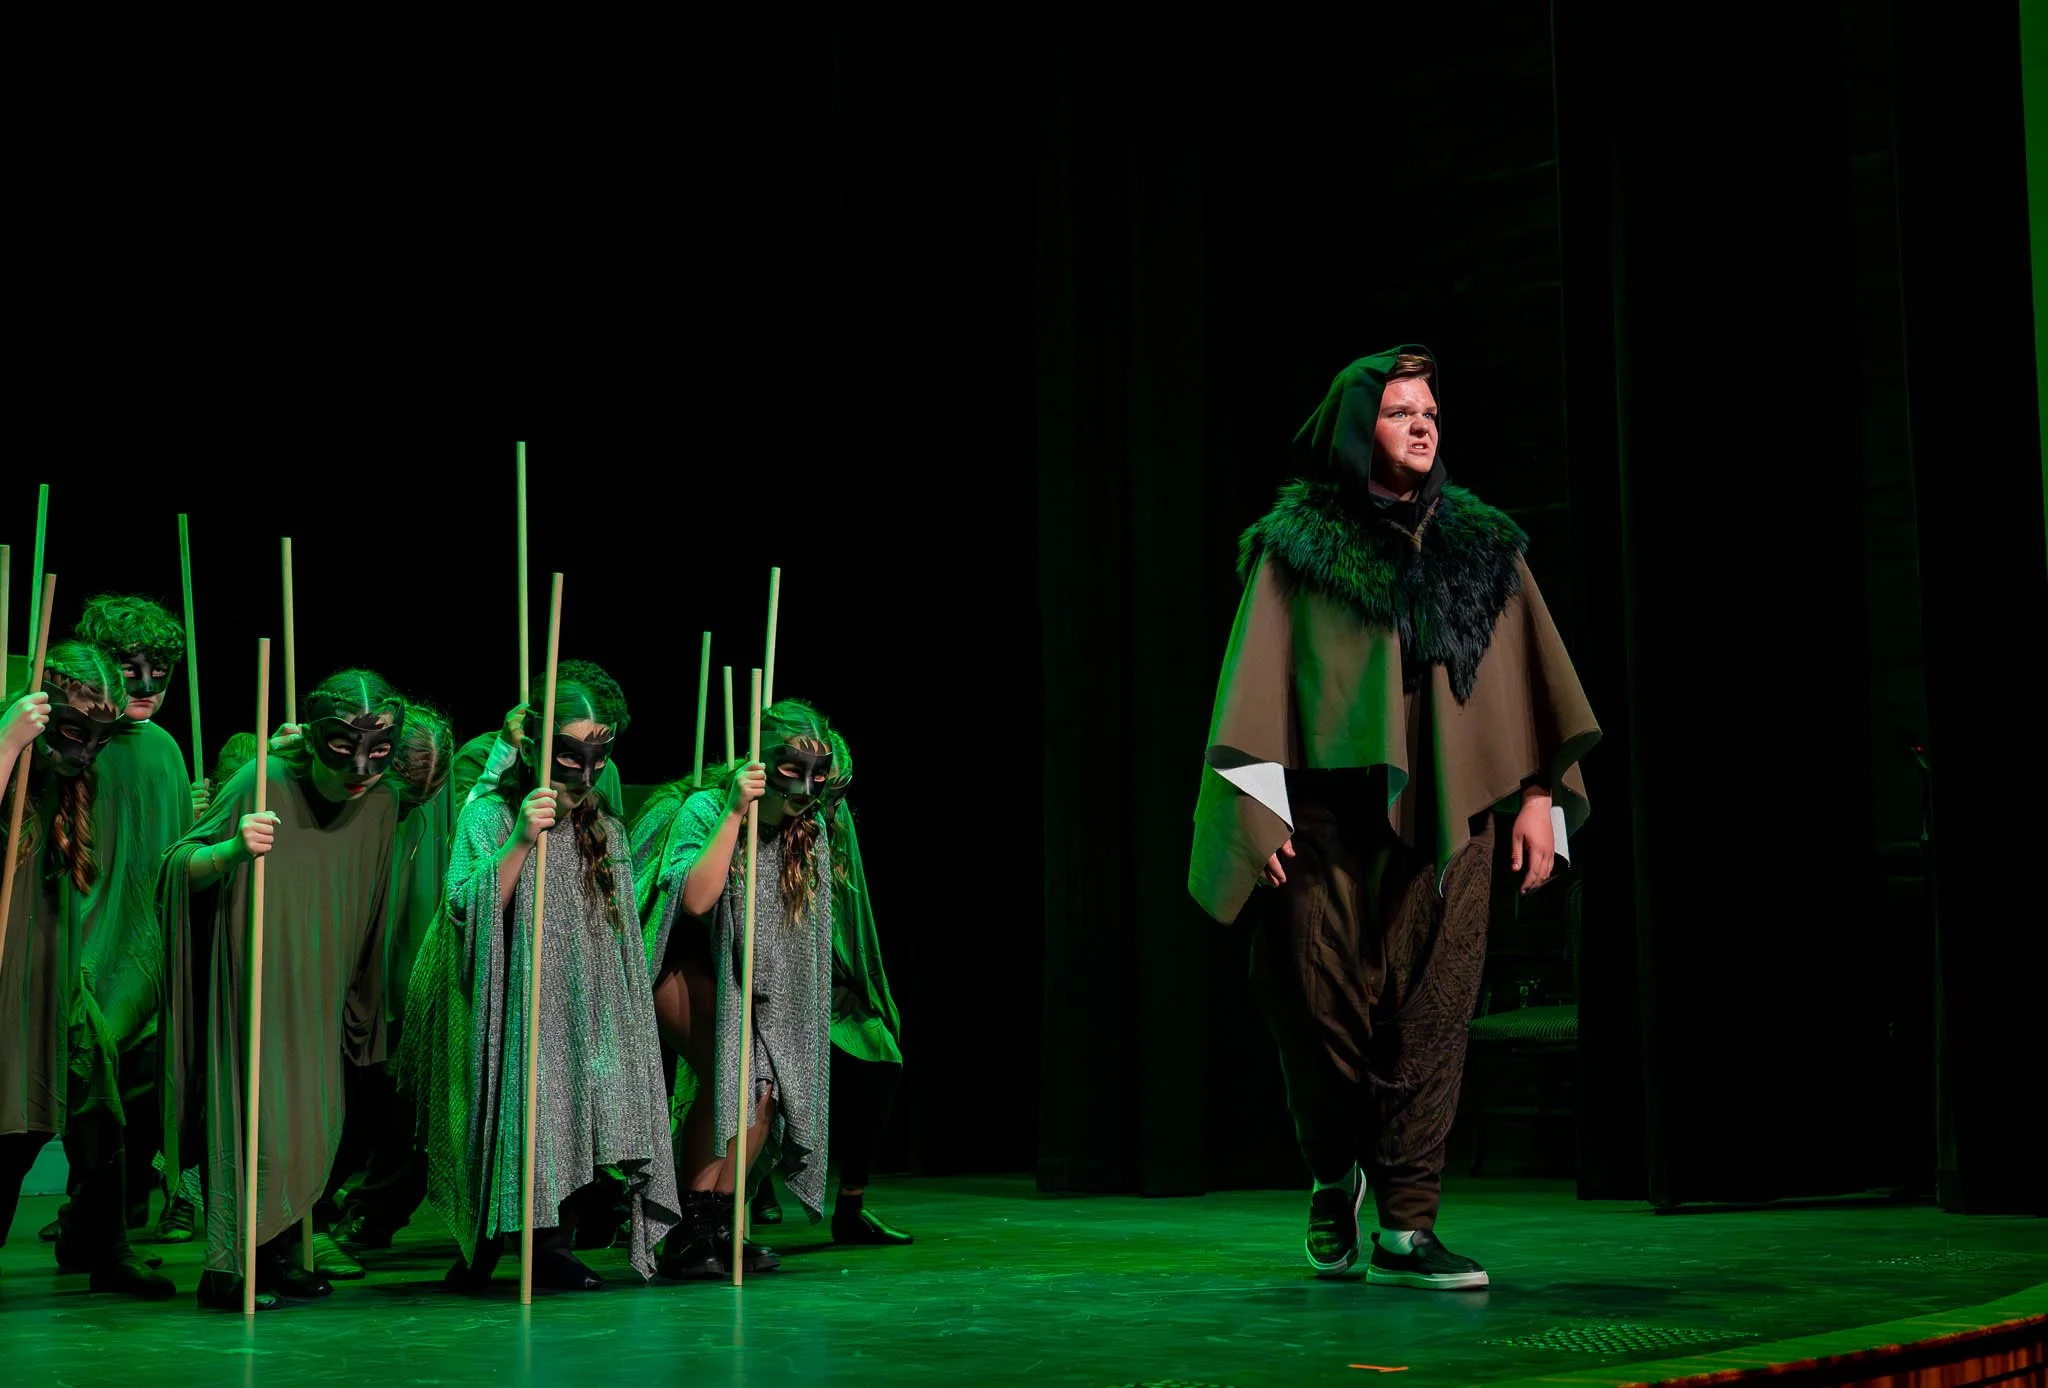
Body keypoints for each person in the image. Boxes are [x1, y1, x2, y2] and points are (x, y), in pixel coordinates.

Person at [1189, 347, 1599, 1290]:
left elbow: (1528, 681)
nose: (1422, 425)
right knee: (1314, 1012)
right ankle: (1335, 1173)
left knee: (1434, 1017)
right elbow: (1256, 685)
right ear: (1355, 427)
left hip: (1453, 820)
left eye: (1430, 413)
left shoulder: (1481, 546)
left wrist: (1538, 796)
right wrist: (1259, 807)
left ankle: (1408, 1227)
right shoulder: (1297, 547)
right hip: (1324, 821)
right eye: (1398, 411)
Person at [403, 669, 677, 1291]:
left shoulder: (605, 826)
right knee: (505, 1110)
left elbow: (613, 932)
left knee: (573, 1110)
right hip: (503, 1002)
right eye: (569, 758)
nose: (584, 775)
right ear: (531, 748)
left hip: (574, 1004)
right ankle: (484, 1243)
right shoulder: (491, 815)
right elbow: (464, 907)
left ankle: (552, 1243)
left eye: (598, 759)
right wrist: (522, 840)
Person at [160, 669, 404, 1310]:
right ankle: (228, 1268)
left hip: (322, 985)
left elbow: (374, 902)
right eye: (342, 747)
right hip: (257, 979)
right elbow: (176, 867)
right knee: (257, 1125)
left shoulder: (382, 803)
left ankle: (279, 1252)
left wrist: (361, 997)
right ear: (315, 738)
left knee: (311, 1129)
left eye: (379, 751)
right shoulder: (261, 781)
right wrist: (231, 852)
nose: (360, 767)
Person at [632, 698, 837, 1277]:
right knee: (733, 1071)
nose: (805, 789)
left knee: (767, 1085)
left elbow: (799, 933)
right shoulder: (706, 807)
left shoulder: (808, 828)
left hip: (742, 971)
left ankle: (720, 1222)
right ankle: (687, 1232)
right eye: (791, 771)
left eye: (817, 776)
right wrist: (733, 813)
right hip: (678, 961)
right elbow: (696, 900)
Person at [0, 643, 175, 1298]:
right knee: (13, 1129)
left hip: (53, 973)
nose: (88, 752)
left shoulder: (71, 776)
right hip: (6, 974)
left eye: (101, 739)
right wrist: (8, 742)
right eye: (76, 734)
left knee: (98, 1108)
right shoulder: (16, 748)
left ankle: (105, 1246)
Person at [34, 595, 206, 1251]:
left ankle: (113, 1216)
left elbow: (174, 851)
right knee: (84, 1083)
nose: (147, 685)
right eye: (130, 670)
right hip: (82, 936)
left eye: (160, 671)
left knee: (138, 1086)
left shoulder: (164, 750)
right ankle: (93, 1212)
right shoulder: (69, 744)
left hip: (148, 941)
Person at [751, 726, 912, 1246]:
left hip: (830, 973)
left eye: (835, 792)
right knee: (763, 1079)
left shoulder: (831, 823)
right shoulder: (764, 816)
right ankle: (750, 1190)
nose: (826, 803)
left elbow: (850, 913)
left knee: (880, 1054)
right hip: (771, 977)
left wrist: (864, 982)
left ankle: (851, 1205)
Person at [322, 703, 455, 1256]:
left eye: (428, 794)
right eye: (409, 792)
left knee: (408, 1116)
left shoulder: (428, 817)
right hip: (344, 986)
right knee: (347, 1115)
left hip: (407, 987)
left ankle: (368, 1217)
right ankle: (305, 1222)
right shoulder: (354, 802)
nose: (415, 802)